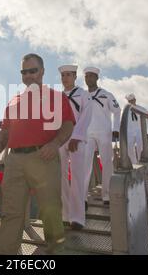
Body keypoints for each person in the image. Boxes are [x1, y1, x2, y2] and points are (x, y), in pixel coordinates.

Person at [0, 53, 75, 254]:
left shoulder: (56, 97)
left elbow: (68, 125)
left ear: (42, 72)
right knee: (11, 215)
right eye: (24, 72)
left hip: (43, 158)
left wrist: (55, 145)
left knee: (51, 212)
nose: (28, 75)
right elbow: (5, 131)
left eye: (32, 71)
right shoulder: (14, 101)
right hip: (15, 161)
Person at [75, 67, 120, 206]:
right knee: (84, 165)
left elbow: (117, 111)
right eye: (86, 76)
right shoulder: (81, 95)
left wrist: (115, 129)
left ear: (97, 78)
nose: (88, 79)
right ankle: (82, 197)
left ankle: (106, 195)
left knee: (107, 163)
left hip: (104, 132)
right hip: (87, 133)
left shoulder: (106, 94)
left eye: (91, 76)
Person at [57, 64, 87, 230]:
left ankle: (78, 218)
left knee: (77, 178)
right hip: (60, 138)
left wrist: (77, 136)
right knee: (60, 176)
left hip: (77, 138)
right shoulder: (58, 96)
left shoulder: (83, 94)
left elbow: (85, 116)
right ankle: (66, 215)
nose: (65, 78)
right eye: (63, 75)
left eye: (68, 75)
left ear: (75, 76)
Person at [125, 93, 148, 164]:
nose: (131, 102)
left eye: (132, 100)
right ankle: (134, 162)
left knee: (140, 147)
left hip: (139, 130)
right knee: (129, 149)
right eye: (129, 101)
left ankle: (140, 161)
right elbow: (122, 121)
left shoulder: (142, 109)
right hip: (129, 131)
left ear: (135, 100)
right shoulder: (125, 111)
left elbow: (147, 119)